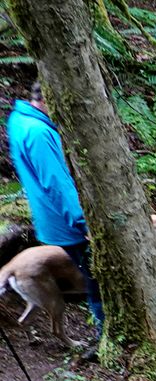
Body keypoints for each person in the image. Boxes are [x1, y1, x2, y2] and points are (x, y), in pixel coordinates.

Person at [7, 81, 101, 335]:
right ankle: (107, 336)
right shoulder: (38, 132)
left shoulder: (18, 119)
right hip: (65, 222)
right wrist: (83, 223)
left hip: (49, 219)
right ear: (51, 100)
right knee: (98, 281)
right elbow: (56, 183)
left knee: (92, 276)